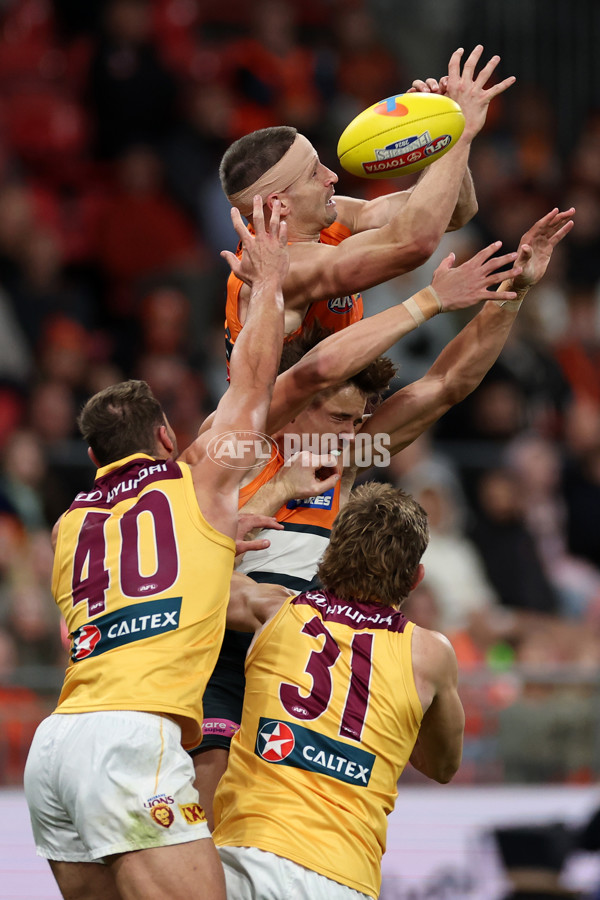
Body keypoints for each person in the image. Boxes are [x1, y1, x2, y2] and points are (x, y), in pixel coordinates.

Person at [193, 207, 575, 825]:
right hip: (220, 652)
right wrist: (428, 299)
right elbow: (196, 550)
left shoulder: (346, 458)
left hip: (300, 662)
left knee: (277, 829)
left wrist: (515, 291)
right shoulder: (238, 444)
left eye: (357, 421)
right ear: (298, 404)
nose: (351, 434)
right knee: (207, 819)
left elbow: (446, 385)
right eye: (338, 418)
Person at [23, 196, 288, 900]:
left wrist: (210, 542)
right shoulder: (196, 483)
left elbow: (134, 573)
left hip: (56, 745)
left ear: (92, 456)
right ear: (167, 436)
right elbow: (253, 385)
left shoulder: (67, 524)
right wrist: (268, 281)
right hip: (131, 739)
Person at [212, 481, 466, 900]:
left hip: (248, 855)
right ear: (416, 578)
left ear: (329, 553)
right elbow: (443, 766)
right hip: (345, 876)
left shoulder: (272, 610)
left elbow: (188, 577)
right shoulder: (430, 654)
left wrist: (241, 522)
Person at [220, 45, 516, 360]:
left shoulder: (333, 217)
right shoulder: (276, 270)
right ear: (280, 204)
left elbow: (455, 212)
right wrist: (461, 130)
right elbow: (414, 242)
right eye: (313, 174)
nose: (332, 176)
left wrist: (434, 131)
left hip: (339, 388)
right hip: (295, 394)